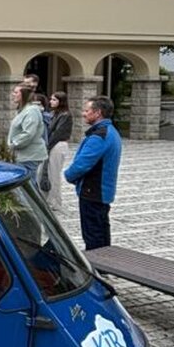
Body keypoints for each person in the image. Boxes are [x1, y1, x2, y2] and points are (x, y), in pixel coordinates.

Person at [65, 95, 122, 249]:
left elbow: (82, 165)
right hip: (102, 192)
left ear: (97, 113)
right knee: (101, 230)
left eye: (86, 110)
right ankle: (105, 264)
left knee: (93, 234)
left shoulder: (99, 136)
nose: (83, 113)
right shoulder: (110, 131)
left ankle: (97, 266)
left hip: (94, 191)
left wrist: (68, 175)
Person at [7, 82, 47, 183]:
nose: (13, 94)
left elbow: (28, 134)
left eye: (16, 92)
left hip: (29, 155)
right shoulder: (24, 110)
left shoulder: (31, 111)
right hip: (23, 155)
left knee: (28, 186)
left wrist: (13, 144)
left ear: (23, 94)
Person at [45, 90, 73, 210]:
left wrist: (48, 146)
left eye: (54, 99)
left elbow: (58, 133)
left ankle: (55, 202)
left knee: (54, 174)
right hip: (52, 144)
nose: (51, 101)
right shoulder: (53, 113)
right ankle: (48, 199)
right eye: (51, 99)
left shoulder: (65, 115)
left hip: (58, 145)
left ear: (61, 101)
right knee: (48, 173)